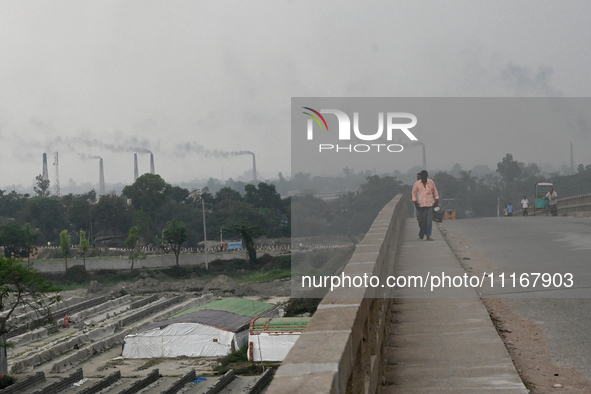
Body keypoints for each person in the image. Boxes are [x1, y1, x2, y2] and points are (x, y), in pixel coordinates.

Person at [411, 170, 439, 241]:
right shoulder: (417, 184)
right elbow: (413, 193)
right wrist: (415, 202)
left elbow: (435, 192)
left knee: (428, 221)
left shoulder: (431, 182)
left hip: (429, 204)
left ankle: (428, 235)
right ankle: (421, 233)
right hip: (420, 205)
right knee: (421, 221)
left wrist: (436, 200)